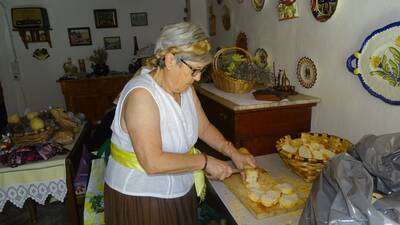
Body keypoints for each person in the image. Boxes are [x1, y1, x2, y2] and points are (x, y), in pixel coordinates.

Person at [104, 22, 256, 225]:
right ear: (169, 60)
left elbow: (203, 127)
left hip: (179, 186)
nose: (198, 78)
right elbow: (153, 162)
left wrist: (233, 152)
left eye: (201, 70)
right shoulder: (142, 95)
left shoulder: (184, 87)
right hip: (142, 197)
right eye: (194, 70)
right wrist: (205, 162)